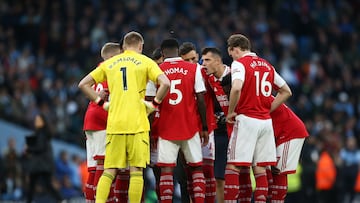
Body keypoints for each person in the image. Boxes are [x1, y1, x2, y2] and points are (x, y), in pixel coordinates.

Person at [78, 31, 170, 203]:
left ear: (124, 46)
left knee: (109, 171)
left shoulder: (110, 63)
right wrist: (154, 104)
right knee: (136, 171)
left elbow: (83, 84)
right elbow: (165, 83)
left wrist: (101, 103)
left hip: (114, 124)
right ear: (140, 46)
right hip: (138, 123)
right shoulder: (146, 62)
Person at [224, 34, 292, 203]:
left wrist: (231, 111)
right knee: (261, 168)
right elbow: (286, 91)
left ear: (235, 48)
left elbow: (237, 87)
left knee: (233, 165)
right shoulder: (267, 65)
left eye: (231, 52)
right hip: (265, 123)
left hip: (247, 119)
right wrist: (268, 109)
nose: (231, 56)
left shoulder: (239, 64)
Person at [222, 73, 309, 203]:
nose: (229, 97)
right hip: (275, 135)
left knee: (278, 173)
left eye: (229, 92)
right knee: (270, 173)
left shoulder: (253, 100)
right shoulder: (248, 99)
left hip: (290, 132)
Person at [153, 38, 208, 203]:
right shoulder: (193, 68)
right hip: (190, 127)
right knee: (196, 167)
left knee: (166, 170)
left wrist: (149, 130)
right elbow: (200, 99)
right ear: (178, 51)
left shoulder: (156, 70)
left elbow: (150, 102)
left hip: (166, 128)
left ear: (163, 53)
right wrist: (204, 126)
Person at [82, 42, 123, 202]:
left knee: (93, 169)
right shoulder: (111, 70)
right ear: (112, 57)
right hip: (101, 121)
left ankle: (90, 200)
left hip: (90, 121)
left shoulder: (98, 70)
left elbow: (89, 91)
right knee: (104, 166)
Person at [179, 42, 217, 203]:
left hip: (206, 128)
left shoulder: (205, 73)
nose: (193, 63)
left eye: (195, 58)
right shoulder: (179, 76)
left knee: (207, 172)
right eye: (188, 60)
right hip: (185, 129)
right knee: (188, 173)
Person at [200, 47, 231, 203]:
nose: (203, 64)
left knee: (235, 176)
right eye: (202, 60)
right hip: (218, 133)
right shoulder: (206, 78)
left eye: (207, 60)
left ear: (218, 61)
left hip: (236, 132)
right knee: (218, 177)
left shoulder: (235, 76)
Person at [25, 113, 64, 203]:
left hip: (41, 165)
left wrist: (28, 148)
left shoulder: (42, 133)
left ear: (43, 122)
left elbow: (40, 147)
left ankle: (61, 200)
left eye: (38, 120)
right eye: (36, 120)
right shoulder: (42, 133)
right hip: (42, 164)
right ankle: (61, 200)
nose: (36, 121)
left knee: (37, 185)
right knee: (41, 184)